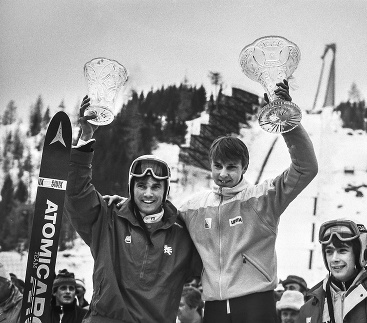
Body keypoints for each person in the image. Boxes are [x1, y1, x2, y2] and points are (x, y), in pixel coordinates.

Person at [179, 80, 318, 323]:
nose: (223, 174)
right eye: (217, 166)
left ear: (244, 167)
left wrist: (287, 122)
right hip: (215, 308)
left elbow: (306, 168)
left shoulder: (262, 199)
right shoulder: (193, 207)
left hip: (256, 304)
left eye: (231, 167)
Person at [64, 96, 202, 322]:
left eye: (156, 187)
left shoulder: (182, 235)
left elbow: (218, 263)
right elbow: (77, 194)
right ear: (131, 188)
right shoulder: (108, 218)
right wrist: (86, 138)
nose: (148, 193)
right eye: (141, 186)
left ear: (165, 191)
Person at [298, 150, 367, 323]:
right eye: (329, 252)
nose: (334, 259)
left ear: (361, 254)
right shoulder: (310, 308)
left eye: (342, 250)